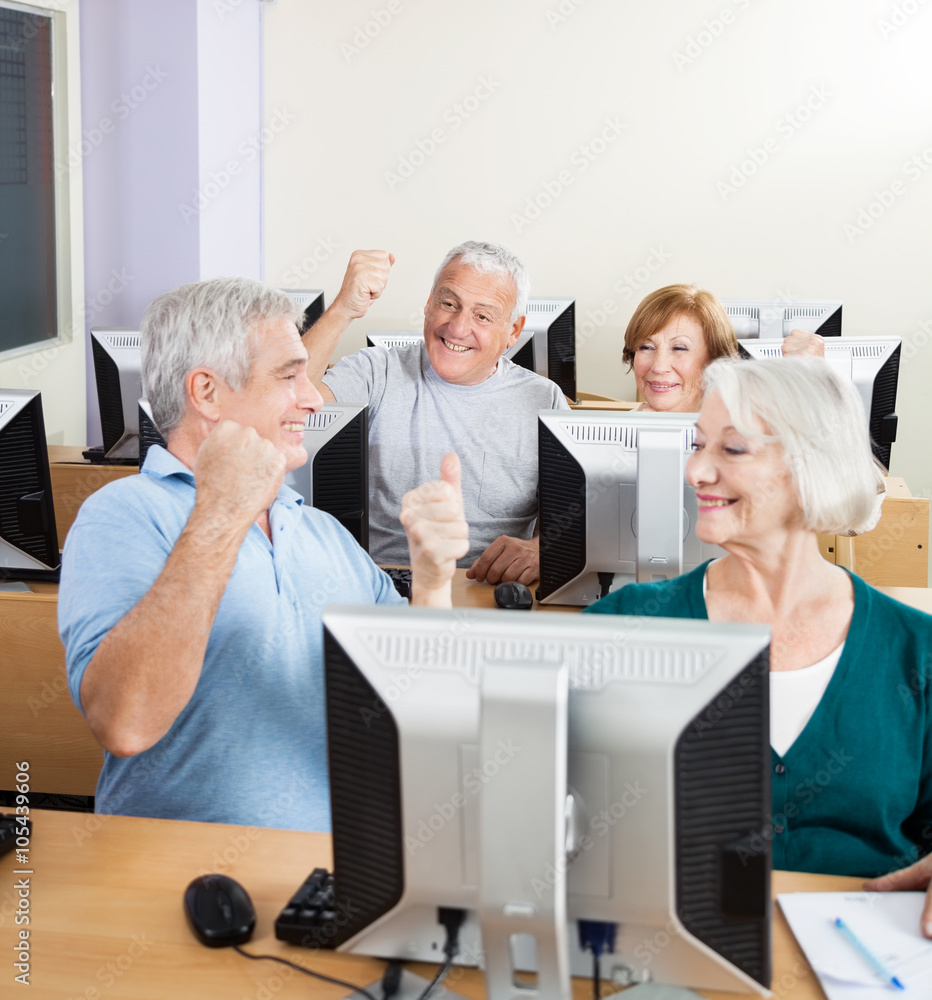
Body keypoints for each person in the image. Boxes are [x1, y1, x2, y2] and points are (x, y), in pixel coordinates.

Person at [59, 277, 468, 832]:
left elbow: (424, 709)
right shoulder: (124, 514)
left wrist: (433, 581)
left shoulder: (321, 531)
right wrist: (222, 514)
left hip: (331, 873)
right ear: (206, 393)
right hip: (183, 883)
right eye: (288, 374)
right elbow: (125, 724)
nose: (312, 396)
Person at [584, 356, 932, 935]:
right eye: (698, 445)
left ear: (809, 468)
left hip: (874, 959)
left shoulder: (914, 650)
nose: (695, 471)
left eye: (732, 449)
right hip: (672, 959)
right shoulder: (626, 626)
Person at [303, 241, 570, 587]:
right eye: (448, 304)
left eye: (482, 316)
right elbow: (285, 404)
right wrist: (342, 310)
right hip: (381, 583)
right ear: (429, 305)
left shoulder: (543, 399)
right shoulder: (376, 371)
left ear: (514, 332)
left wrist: (542, 548)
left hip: (488, 592)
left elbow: (578, 515)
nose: (458, 328)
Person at [622, 284, 824, 413]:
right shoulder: (616, 436)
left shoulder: (748, 435)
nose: (659, 366)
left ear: (713, 361)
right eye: (646, 347)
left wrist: (815, 378)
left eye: (679, 348)